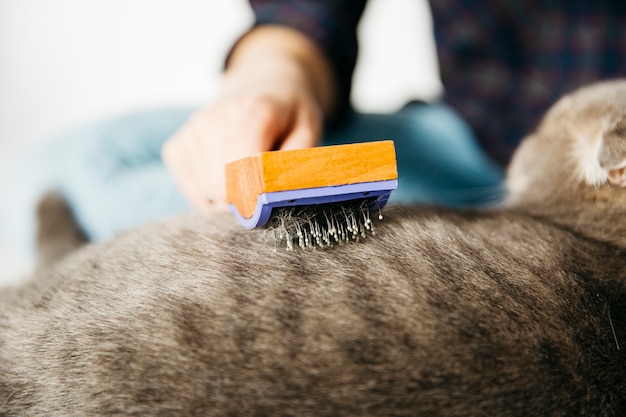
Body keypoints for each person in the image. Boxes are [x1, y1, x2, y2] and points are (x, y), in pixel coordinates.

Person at [3, 0, 625, 257]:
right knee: (40, 178)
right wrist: (272, 73)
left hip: (610, 190)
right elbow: (301, 17)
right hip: (475, 146)